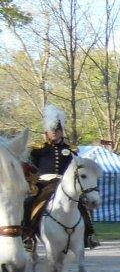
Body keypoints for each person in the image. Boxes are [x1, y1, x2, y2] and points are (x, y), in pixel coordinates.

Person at [25, 104, 97, 249]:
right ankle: (28, 236)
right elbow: (32, 169)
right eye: (52, 131)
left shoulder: (70, 150)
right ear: (47, 132)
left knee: (83, 204)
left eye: (57, 130)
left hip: (65, 183)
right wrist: (33, 182)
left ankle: (89, 235)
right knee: (28, 202)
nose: (54, 133)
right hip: (44, 183)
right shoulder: (38, 150)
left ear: (61, 131)